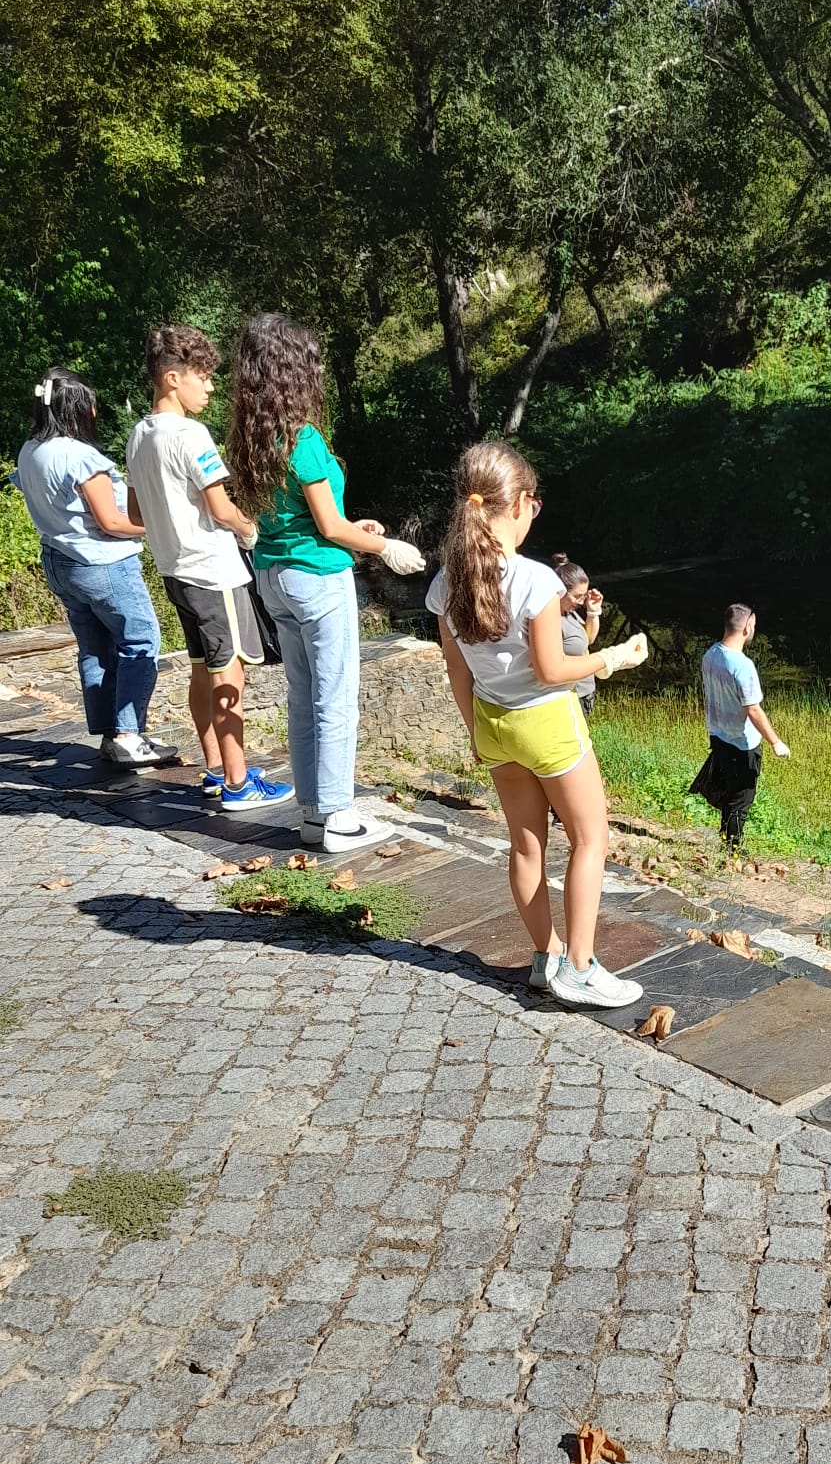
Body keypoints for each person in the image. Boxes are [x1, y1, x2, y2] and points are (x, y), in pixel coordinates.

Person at [428, 441, 650, 1008]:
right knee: (590, 838)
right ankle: (580, 968)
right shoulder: (536, 580)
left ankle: (545, 956)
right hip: (548, 724)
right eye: (535, 505)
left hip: (493, 724)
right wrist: (612, 657)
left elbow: (457, 669)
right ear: (522, 503)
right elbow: (552, 671)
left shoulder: (447, 581)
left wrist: (475, 733)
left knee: (526, 846)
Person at [227, 313, 425, 853]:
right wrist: (385, 547)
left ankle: (313, 814)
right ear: (295, 371)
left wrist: (353, 529)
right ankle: (340, 816)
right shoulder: (305, 438)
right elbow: (329, 528)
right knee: (335, 698)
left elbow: (297, 517)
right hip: (317, 578)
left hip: (274, 576)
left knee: (302, 696)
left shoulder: (251, 437)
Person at [126, 325, 293, 814]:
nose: (211, 387)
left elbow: (136, 514)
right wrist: (250, 528)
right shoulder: (190, 433)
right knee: (229, 674)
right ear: (173, 378)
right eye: (203, 377)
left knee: (202, 669)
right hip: (214, 572)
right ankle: (239, 783)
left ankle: (217, 769)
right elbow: (221, 508)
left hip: (175, 572)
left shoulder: (138, 435)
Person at [12, 369, 176, 768]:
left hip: (60, 560)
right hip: (102, 564)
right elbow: (112, 522)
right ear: (79, 408)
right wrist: (162, 526)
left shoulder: (30, 450)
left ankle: (110, 733)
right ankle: (129, 735)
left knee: (96, 647)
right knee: (141, 641)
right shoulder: (81, 457)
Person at [689, 603, 790, 856]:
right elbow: (753, 709)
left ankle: (726, 837)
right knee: (741, 798)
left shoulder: (711, 654)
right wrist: (776, 742)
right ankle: (733, 849)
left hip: (718, 736)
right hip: (742, 743)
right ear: (747, 628)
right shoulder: (743, 666)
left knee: (730, 791)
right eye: (753, 625)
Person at [552, 555, 603, 717]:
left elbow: (588, 639)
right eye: (577, 596)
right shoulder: (550, 620)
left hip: (584, 693)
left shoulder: (569, 613)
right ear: (560, 591)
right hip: (568, 697)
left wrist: (593, 611)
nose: (581, 602)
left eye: (584, 596)